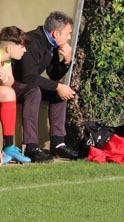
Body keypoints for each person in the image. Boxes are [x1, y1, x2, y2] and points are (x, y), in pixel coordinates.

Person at [12, 11, 80, 162]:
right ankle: (31, 147)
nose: (69, 37)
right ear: (56, 33)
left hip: (27, 83)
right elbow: (27, 76)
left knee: (59, 92)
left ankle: (58, 144)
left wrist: (67, 61)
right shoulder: (33, 41)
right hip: (12, 84)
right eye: (68, 33)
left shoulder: (51, 44)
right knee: (34, 91)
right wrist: (57, 86)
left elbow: (53, 74)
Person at [0, 26, 30, 164]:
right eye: (22, 47)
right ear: (9, 48)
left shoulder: (4, 53)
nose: (25, 50)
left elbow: (9, 82)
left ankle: (9, 146)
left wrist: (5, 77)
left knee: (9, 93)